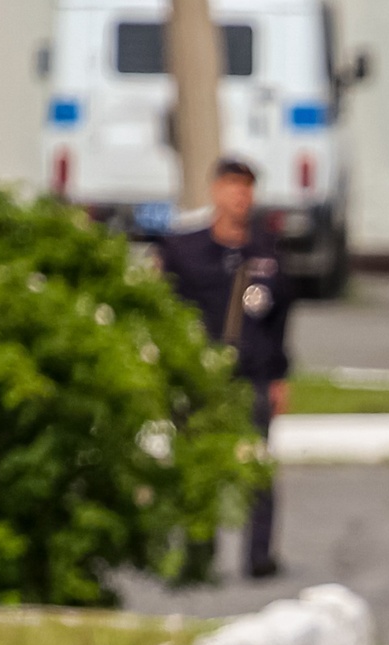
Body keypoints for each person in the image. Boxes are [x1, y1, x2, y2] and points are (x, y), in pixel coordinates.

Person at [156, 155, 291, 579]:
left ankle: (259, 556)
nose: (240, 196)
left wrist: (280, 376)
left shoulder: (266, 254)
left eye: (247, 187)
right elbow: (165, 310)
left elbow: (281, 320)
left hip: (251, 376)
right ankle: (198, 554)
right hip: (201, 379)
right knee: (198, 467)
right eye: (233, 185)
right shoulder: (184, 249)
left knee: (256, 468)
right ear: (216, 191)